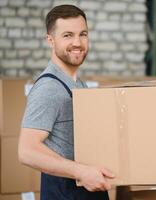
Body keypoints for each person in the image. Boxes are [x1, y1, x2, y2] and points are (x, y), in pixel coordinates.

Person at [18, 5, 114, 200]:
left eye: (83, 34)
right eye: (68, 35)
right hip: (67, 193)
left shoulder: (77, 83)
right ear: (50, 40)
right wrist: (81, 172)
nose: (77, 42)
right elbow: (26, 151)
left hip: (86, 190)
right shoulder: (48, 88)